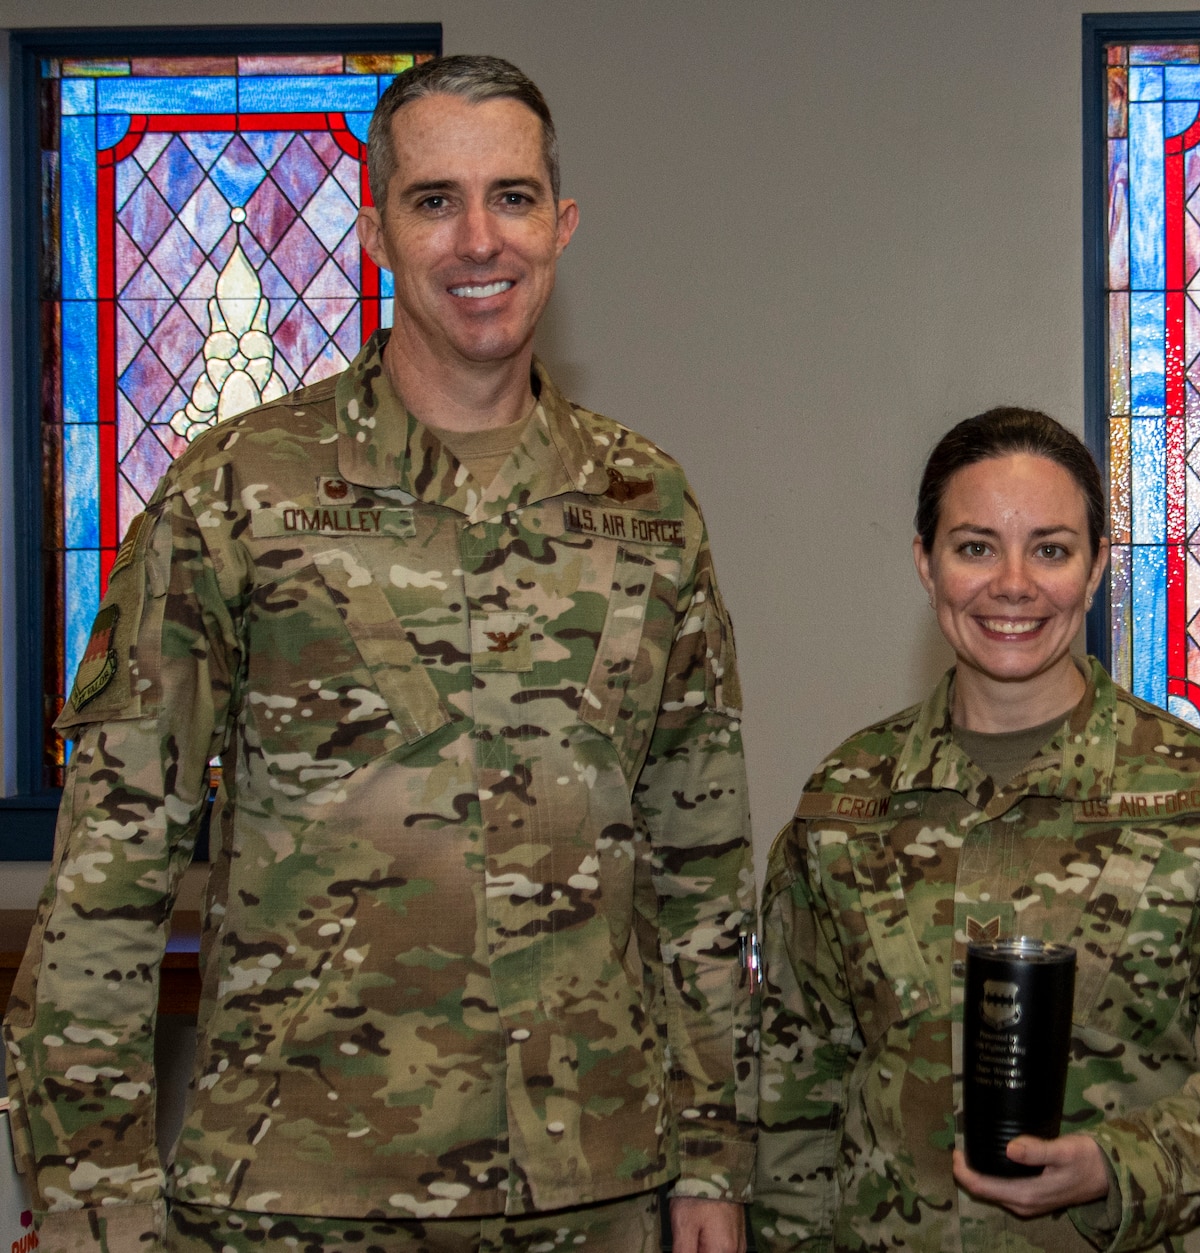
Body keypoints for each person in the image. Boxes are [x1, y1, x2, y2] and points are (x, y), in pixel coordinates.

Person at [5, 56, 755, 1253]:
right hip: (302, 1186)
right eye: (432, 199)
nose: (477, 240)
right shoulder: (237, 489)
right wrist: (97, 1199)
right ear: (371, 231)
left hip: (595, 1184)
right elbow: (114, 862)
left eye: (511, 197)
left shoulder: (646, 502)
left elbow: (699, 864)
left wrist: (712, 1152)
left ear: (560, 226)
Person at [752, 408, 1200, 1252]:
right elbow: (794, 1086)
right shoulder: (848, 806)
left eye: (1053, 549)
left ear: (1098, 567)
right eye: (976, 546)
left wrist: (1122, 1164)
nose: (1014, 584)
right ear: (926, 563)